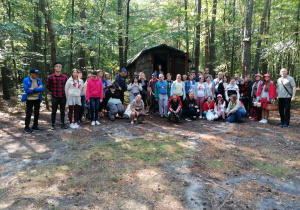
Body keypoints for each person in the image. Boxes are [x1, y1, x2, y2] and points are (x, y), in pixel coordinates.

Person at [46, 62, 68, 130]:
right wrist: (52, 91)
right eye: (57, 66)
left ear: (61, 68)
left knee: (62, 110)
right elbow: (48, 85)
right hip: (54, 96)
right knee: (54, 111)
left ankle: (62, 123)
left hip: (63, 96)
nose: (58, 68)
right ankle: (53, 124)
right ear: (54, 67)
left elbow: (67, 86)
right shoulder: (51, 77)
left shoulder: (64, 77)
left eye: (60, 67)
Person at [22, 68, 44, 133]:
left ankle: (35, 126)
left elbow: (42, 89)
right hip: (29, 99)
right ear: (32, 74)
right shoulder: (26, 80)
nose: (38, 75)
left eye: (38, 74)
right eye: (36, 74)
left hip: (37, 99)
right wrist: (37, 90)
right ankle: (26, 127)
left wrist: (33, 89)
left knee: (37, 113)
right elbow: (27, 90)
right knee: (29, 113)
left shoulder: (38, 79)